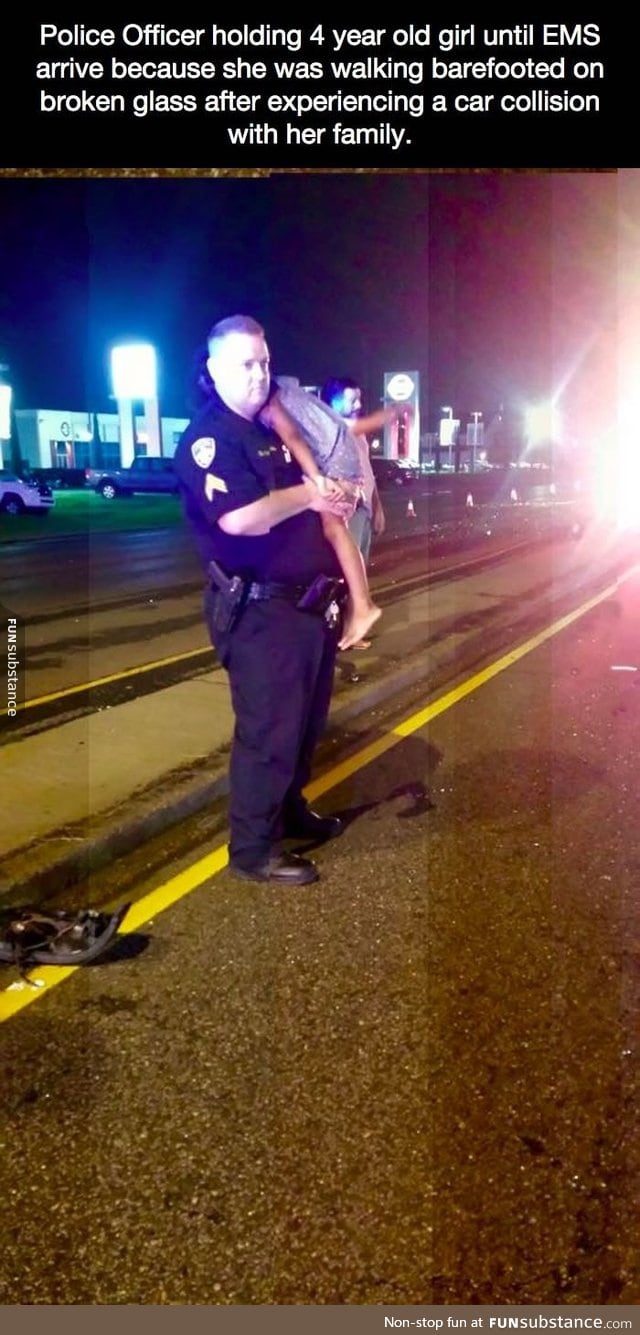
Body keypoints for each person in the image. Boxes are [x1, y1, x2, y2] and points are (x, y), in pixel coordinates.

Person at [173, 314, 352, 887]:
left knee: (303, 725)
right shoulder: (211, 439)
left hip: (304, 607)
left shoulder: (268, 429)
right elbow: (241, 519)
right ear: (214, 369)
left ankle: (290, 812)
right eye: (245, 364)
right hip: (259, 611)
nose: (258, 374)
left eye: (264, 362)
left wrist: (331, 497)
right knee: (269, 733)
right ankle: (253, 848)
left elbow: (304, 502)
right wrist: (311, 493)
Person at [258, 378, 382, 650]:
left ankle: (362, 604)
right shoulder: (290, 394)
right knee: (333, 530)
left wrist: (317, 479)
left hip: (334, 457)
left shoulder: (269, 400)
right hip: (335, 452)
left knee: (333, 527)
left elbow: (291, 435)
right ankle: (355, 609)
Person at [321, 377, 400, 647]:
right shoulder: (331, 428)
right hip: (347, 510)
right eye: (351, 399)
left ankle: (353, 628)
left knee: (360, 571)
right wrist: (393, 412)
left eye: (359, 398)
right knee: (348, 573)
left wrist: (377, 506)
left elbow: (367, 470)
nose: (358, 404)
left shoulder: (358, 432)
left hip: (363, 508)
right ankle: (345, 633)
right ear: (332, 400)